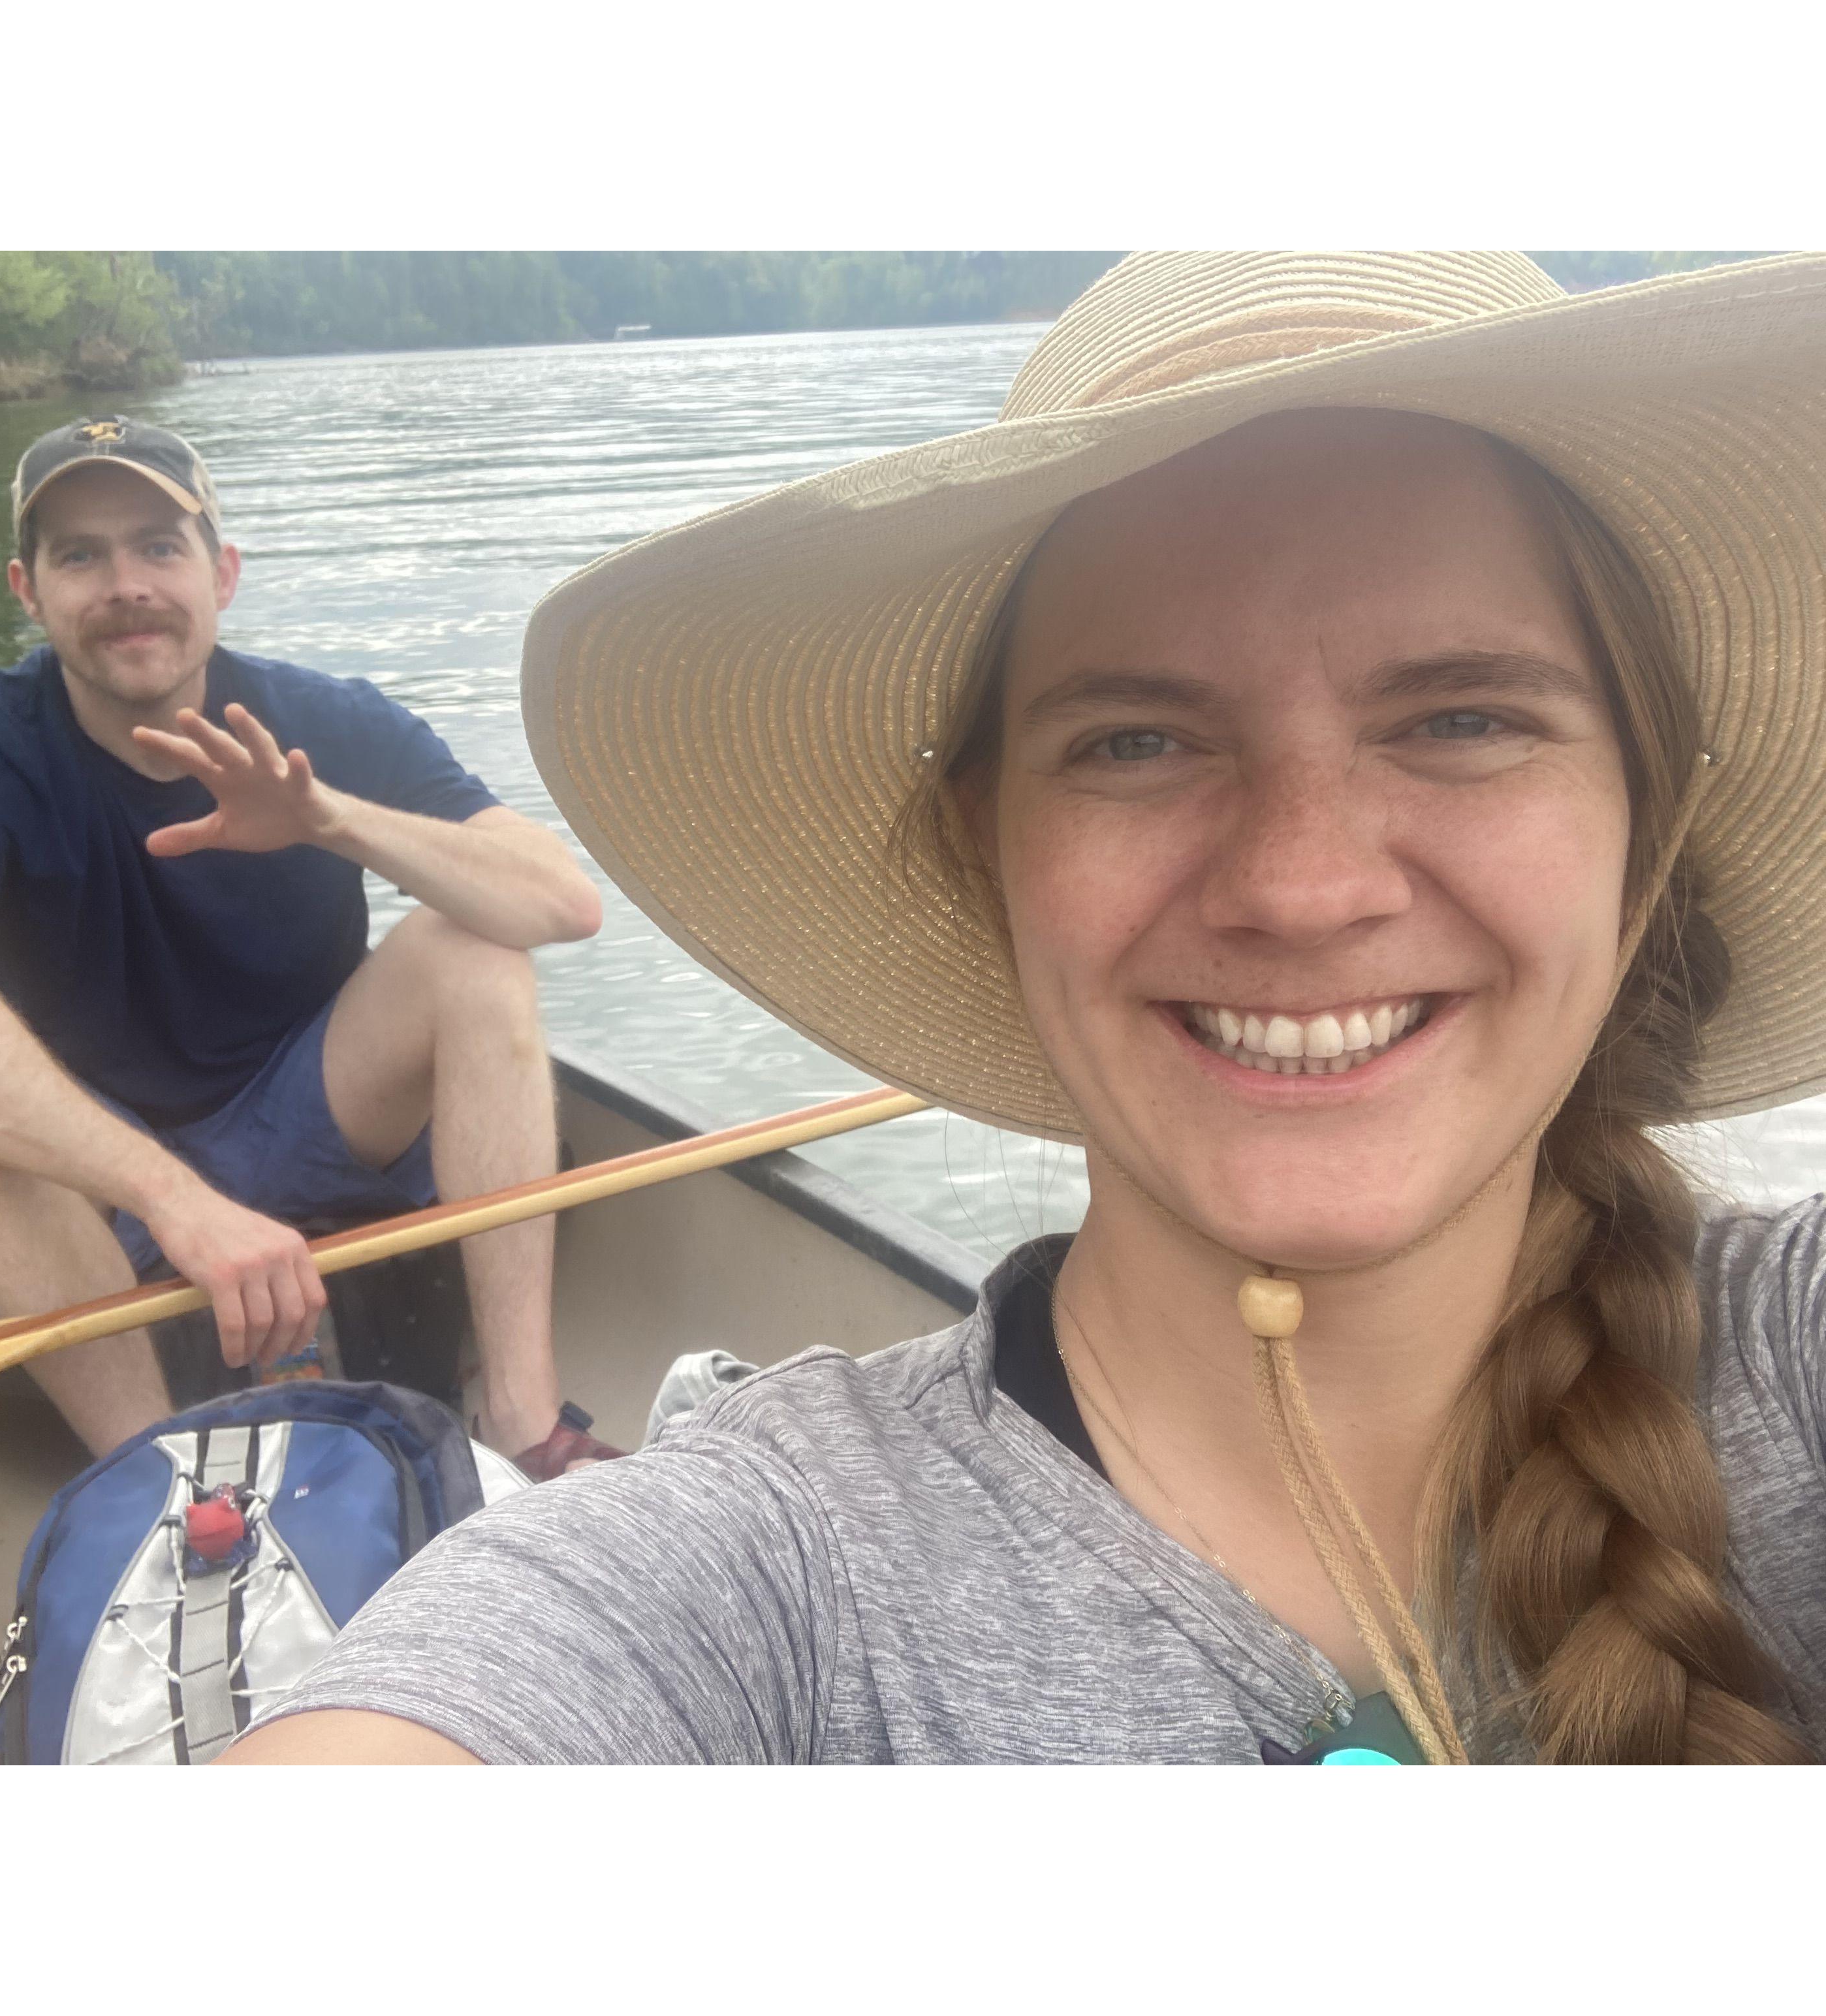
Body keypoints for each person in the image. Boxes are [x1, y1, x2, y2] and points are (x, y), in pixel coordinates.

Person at [223, 251, 1826, 1765]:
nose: (1300, 883)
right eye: (1135, 740)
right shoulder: (760, 1580)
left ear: (1646, 827)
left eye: (1462, 717)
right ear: (982, 847)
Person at [0, 414, 615, 1473]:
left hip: (309, 1118)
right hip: (93, 1178)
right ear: (28, 590)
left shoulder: (320, 722)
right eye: (81, 555)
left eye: (160, 545)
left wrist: (329, 819)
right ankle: (153, 1479)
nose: (127, 585)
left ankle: (525, 1428)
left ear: (224, 573)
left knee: (476, 952)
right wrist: (177, 1201)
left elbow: (561, 902)